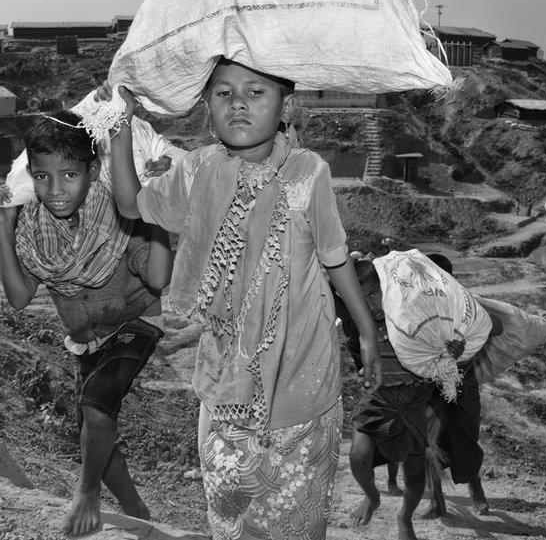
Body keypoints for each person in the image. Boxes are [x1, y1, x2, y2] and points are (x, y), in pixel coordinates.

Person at [102, 60, 384, 540]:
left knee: (295, 520)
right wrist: (120, 121)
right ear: (207, 105)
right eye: (222, 93)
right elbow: (132, 204)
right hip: (226, 380)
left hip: (303, 375)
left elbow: (335, 259)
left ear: (286, 106)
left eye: (256, 92)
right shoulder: (196, 171)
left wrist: (368, 333)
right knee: (232, 517)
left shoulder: (308, 173)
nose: (238, 102)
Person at [0, 111, 174, 536]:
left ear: (91, 170)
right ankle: (137, 510)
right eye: (42, 177)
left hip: (136, 319)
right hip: (86, 338)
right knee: (92, 429)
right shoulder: (34, 226)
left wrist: (156, 207)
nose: (55, 190)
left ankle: (86, 493)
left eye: (69, 174)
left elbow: (158, 278)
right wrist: (3, 226)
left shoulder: (119, 211)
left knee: (97, 404)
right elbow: (19, 298)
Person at [334, 258, 440, 540]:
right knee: (357, 457)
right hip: (377, 400)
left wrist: (451, 347)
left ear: (387, 289)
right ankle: (372, 496)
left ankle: (405, 517)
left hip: (411, 402)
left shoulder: (411, 318)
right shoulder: (360, 326)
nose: (369, 304)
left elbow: (441, 348)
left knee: (415, 476)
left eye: (373, 293)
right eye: (361, 298)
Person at [421, 253, 493, 519]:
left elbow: (488, 331)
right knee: (430, 441)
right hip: (429, 382)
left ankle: (476, 488)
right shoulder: (417, 305)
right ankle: (436, 501)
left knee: (465, 437)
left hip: (462, 382)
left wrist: (463, 348)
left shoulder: (465, 304)